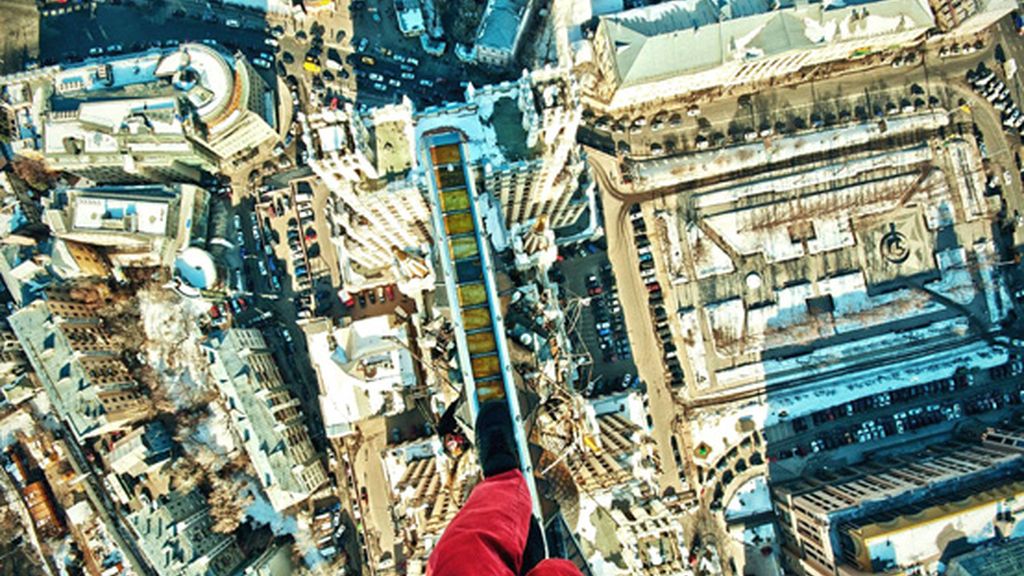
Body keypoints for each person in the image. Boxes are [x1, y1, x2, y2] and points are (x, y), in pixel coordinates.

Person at [427, 402, 583, 576]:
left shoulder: (445, 428)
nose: (453, 442)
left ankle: (502, 473)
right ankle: (503, 475)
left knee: (462, 558)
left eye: (450, 441)